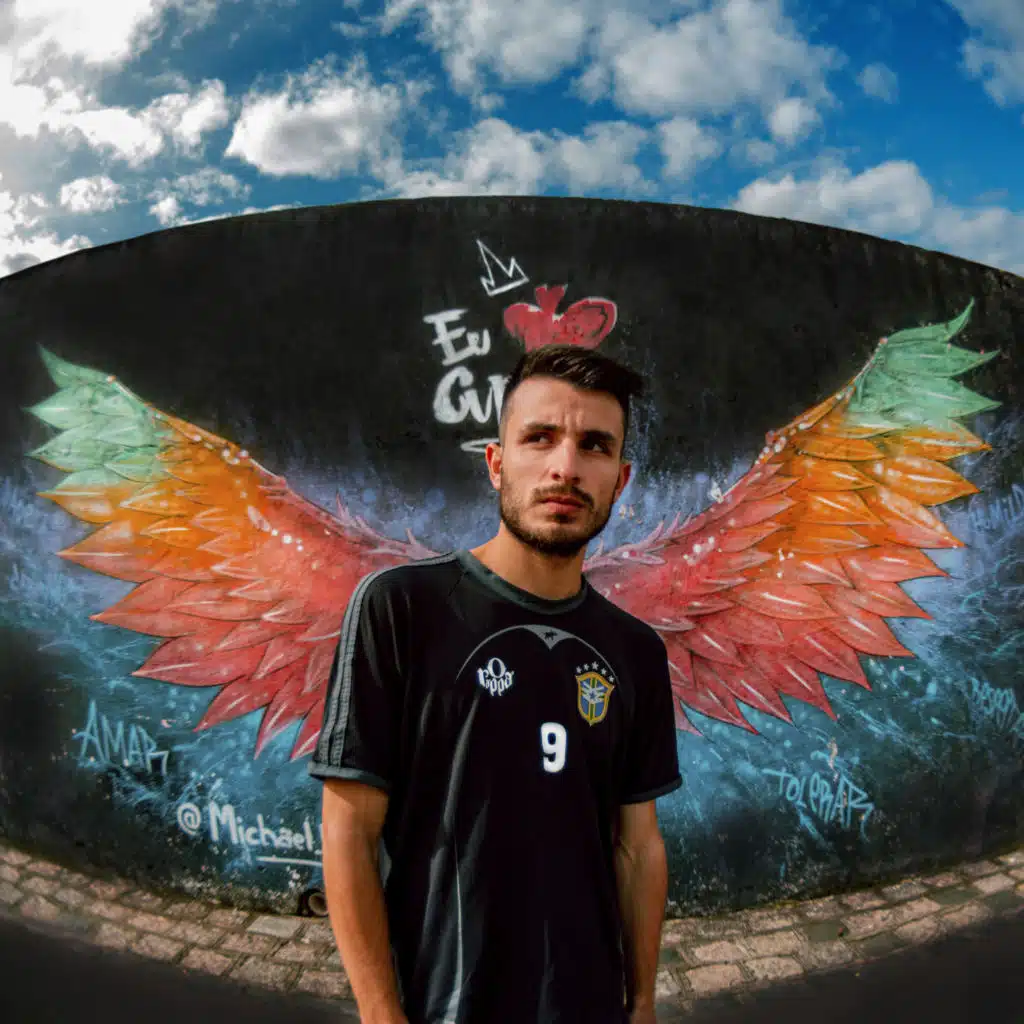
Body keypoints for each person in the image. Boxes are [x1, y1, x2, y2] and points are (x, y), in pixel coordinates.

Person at [309, 344, 683, 1024]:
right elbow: (348, 829)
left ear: (620, 479)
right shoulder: (401, 609)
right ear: (496, 462)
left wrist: (645, 1002)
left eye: (595, 446)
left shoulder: (635, 652)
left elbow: (638, 846)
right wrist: (382, 1016)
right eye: (539, 437)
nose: (565, 467)